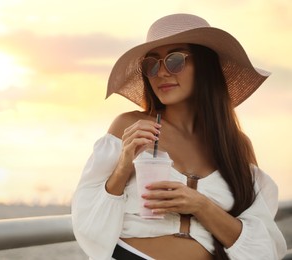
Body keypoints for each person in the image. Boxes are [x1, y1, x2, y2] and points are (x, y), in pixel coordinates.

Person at [71, 13, 287, 260]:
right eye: (151, 64)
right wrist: (122, 167)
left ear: (205, 66)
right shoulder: (129, 126)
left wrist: (200, 205)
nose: (161, 73)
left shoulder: (235, 146)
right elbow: (89, 227)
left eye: (175, 60)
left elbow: (262, 249)